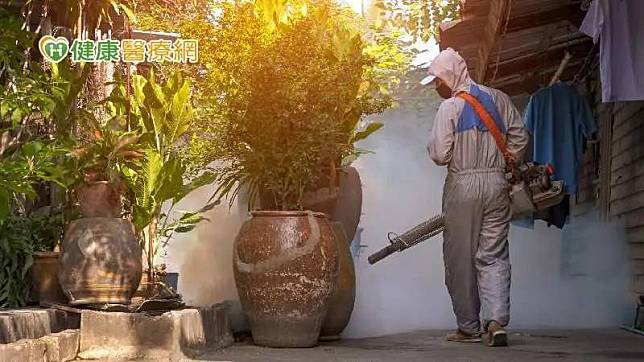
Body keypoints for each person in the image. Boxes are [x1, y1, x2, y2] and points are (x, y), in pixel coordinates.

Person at [421, 48, 529, 346]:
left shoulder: (450, 108)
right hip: (497, 184)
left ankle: (468, 327)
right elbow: (520, 137)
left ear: (448, 77)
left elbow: (440, 154)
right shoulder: (499, 99)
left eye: (437, 81)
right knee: (493, 254)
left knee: (460, 257)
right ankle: (496, 321)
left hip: (463, 185)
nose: (437, 88)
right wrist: (507, 161)